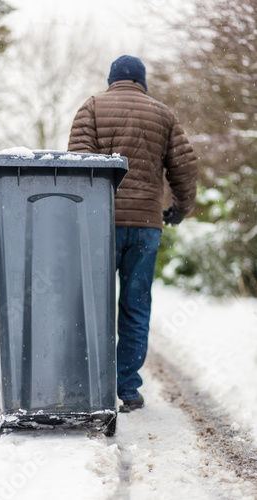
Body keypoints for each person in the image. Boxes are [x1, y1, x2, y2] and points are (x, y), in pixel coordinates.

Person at [68, 55, 198, 412]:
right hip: (145, 226)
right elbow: (184, 168)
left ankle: (87, 385)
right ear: (142, 82)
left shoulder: (91, 107)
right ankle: (127, 389)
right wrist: (180, 209)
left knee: (92, 305)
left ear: (112, 80)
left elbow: (77, 167)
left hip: (99, 226)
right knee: (135, 307)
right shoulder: (163, 114)